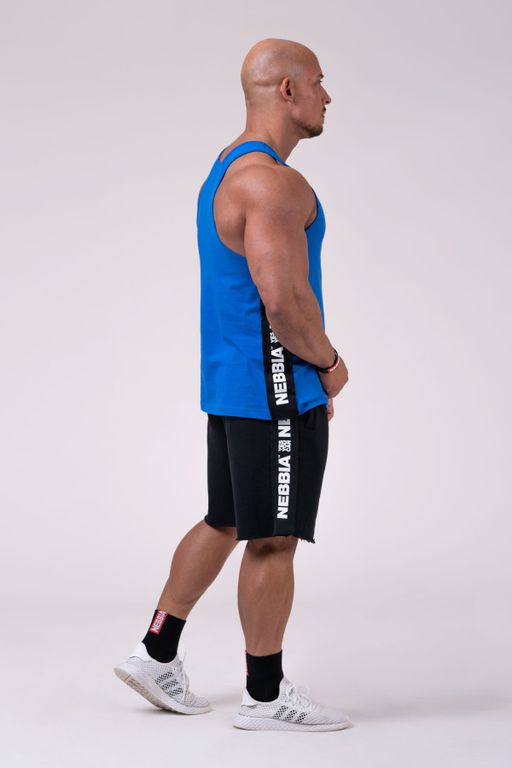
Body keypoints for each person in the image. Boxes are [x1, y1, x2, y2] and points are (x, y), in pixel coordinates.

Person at [114, 37, 351, 732]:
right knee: (273, 538)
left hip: (233, 383)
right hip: (273, 385)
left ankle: (156, 651)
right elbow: (283, 301)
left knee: (226, 518)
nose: (328, 96)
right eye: (318, 81)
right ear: (287, 90)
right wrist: (328, 367)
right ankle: (265, 697)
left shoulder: (227, 168)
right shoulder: (271, 183)